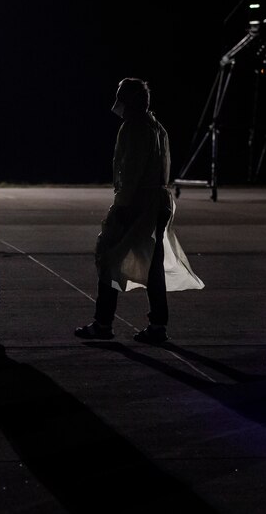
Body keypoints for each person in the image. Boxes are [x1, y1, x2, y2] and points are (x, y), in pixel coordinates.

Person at [75, 78, 202, 344]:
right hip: (158, 203)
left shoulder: (133, 128)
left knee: (109, 260)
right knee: (153, 266)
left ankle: (103, 322)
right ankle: (158, 324)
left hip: (138, 205)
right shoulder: (157, 127)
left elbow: (130, 172)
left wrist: (121, 207)